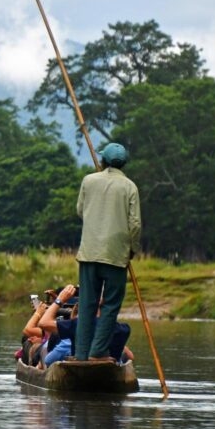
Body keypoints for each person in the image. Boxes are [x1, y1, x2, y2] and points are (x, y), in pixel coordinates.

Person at [74, 143, 141, 362]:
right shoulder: (130, 186)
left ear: (103, 161)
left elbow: (80, 211)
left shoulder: (89, 181)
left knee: (86, 304)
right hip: (116, 255)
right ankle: (98, 353)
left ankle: (82, 354)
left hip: (89, 252)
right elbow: (135, 224)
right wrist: (133, 249)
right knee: (111, 304)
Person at [39, 283, 134, 363]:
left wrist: (59, 299)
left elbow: (43, 323)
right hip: (111, 375)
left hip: (80, 373)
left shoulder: (78, 325)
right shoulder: (123, 329)